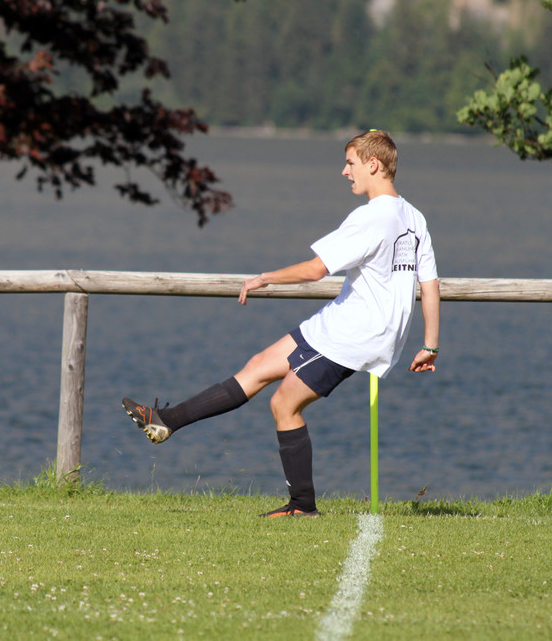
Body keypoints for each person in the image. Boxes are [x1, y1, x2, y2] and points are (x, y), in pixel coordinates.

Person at [121, 129, 440, 518]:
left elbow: (316, 269)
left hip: (353, 336)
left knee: (283, 404)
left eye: (351, 163)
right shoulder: (414, 217)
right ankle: (165, 422)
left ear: (373, 165)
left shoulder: (372, 217)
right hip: (339, 323)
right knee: (257, 367)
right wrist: (430, 344)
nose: (344, 171)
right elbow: (430, 283)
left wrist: (265, 277)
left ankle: (303, 506)